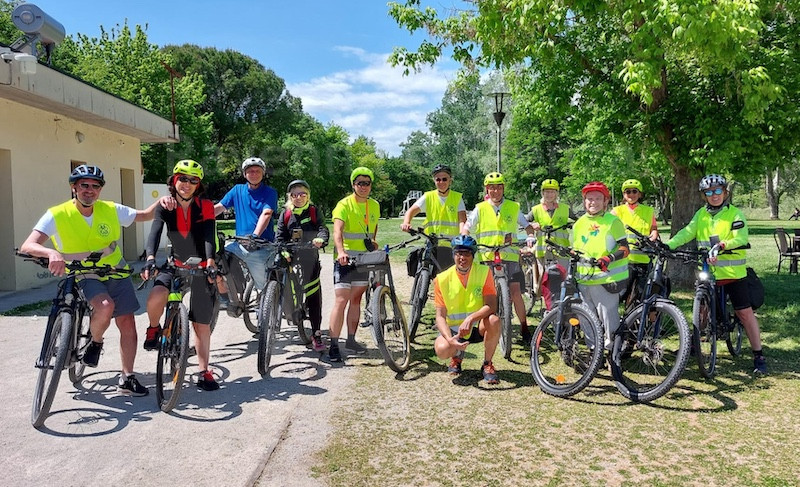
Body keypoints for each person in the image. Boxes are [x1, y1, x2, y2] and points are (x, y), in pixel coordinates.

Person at [20, 164, 172, 396]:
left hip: (114, 269)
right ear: (74, 187)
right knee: (105, 306)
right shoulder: (57, 214)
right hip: (82, 272)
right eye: (84, 185)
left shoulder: (110, 209)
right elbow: (28, 245)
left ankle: (127, 377)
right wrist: (50, 252)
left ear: (100, 189)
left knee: (127, 321)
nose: (89, 190)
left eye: (95, 186)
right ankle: (96, 341)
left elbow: (143, 215)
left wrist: (162, 202)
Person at [665, 174, 767, 374]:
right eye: (709, 192)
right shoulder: (701, 214)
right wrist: (669, 245)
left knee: (744, 313)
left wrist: (723, 245)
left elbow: (741, 238)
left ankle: (759, 355)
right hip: (709, 272)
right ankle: (694, 344)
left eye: (718, 190)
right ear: (704, 195)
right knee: (701, 309)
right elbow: (687, 232)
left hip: (733, 274)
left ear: (725, 192)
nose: (714, 195)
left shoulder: (735, 214)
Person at [141, 160, 220, 391]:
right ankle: (153, 328)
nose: (187, 184)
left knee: (201, 323)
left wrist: (210, 262)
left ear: (198, 185)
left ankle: (203, 371)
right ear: (174, 181)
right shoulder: (165, 205)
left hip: (200, 266)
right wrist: (150, 258)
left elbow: (209, 235)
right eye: (182, 179)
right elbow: (155, 232)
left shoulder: (205, 206)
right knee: (156, 295)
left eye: (193, 180)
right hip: (174, 264)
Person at [462, 172, 536, 344]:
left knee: (516, 292)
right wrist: (464, 237)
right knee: (486, 294)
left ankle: (524, 327)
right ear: (487, 190)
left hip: (509, 255)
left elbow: (527, 226)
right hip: (487, 255)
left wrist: (530, 237)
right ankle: (484, 326)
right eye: (492, 188)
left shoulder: (513, 207)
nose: (495, 191)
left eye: (499, 187)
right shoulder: (480, 208)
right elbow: (467, 226)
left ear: (503, 189)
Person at [326, 167, 380, 362]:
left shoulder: (374, 205)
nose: (363, 186)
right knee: (341, 300)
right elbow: (337, 232)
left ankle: (351, 339)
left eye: (367, 183)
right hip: (346, 259)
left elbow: (373, 229)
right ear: (353, 185)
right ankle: (333, 345)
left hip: (364, 259)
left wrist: (373, 243)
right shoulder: (344, 204)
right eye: (360, 183)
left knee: (356, 299)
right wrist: (341, 252)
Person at [432, 235, 501, 384]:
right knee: (442, 350)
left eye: (467, 253)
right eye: (458, 253)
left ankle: (487, 364)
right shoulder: (441, 279)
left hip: (476, 326)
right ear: (453, 255)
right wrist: (449, 339)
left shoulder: (484, 272)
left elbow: (492, 305)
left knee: (494, 320)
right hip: (454, 330)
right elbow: (440, 316)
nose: (462, 257)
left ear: (473, 255)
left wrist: (471, 319)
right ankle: (456, 357)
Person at [214, 157, 279, 315]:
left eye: (257, 171)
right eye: (250, 171)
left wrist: (255, 236)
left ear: (263, 174)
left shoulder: (270, 192)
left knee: (263, 286)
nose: (254, 173)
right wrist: (198, 217)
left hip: (262, 245)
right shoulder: (237, 190)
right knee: (217, 260)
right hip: (239, 244)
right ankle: (227, 295)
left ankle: (264, 310)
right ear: (244, 174)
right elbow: (220, 207)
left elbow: (266, 213)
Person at [571, 181, 629, 352]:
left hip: (607, 280)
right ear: (584, 201)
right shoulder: (579, 223)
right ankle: (594, 352)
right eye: (589, 199)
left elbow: (625, 248)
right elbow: (575, 248)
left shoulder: (613, 221)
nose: (593, 202)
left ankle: (612, 352)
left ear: (605, 201)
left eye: (598, 199)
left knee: (609, 320)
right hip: (584, 280)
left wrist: (609, 258)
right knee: (586, 319)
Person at [275, 179, 330, 353]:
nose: (298, 197)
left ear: (308, 196)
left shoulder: (313, 211)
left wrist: (321, 239)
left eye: (302, 194)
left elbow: (322, 228)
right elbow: (279, 237)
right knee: (278, 278)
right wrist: (283, 251)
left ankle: (316, 333)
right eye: (294, 194)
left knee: (313, 292)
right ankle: (281, 310)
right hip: (290, 255)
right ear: (290, 197)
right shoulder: (285, 214)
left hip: (308, 254)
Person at [400, 163, 467, 271]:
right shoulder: (428, 197)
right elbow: (411, 211)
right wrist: (406, 222)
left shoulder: (457, 197)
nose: (441, 182)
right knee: (426, 270)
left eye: (444, 179)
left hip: (451, 244)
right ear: (434, 180)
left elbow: (462, 220)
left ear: (450, 180)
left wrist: (462, 234)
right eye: (438, 179)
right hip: (432, 243)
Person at [526, 178, 577, 310]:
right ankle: (547, 304)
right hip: (543, 250)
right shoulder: (536, 210)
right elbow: (524, 222)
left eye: (552, 192)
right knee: (544, 279)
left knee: (563, 277)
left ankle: (562, 304)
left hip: (561, 249)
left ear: (557, 193)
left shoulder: (565, 209)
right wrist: (532, 224)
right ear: (542, 193)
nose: (549, 195)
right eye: (547, 192)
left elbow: (578, 221)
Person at [610, 179, 659, 305]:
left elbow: (653, 229)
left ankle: (634, 315)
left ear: (640, 194)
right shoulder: (616, 211)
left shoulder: (648, 211)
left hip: (643, 259)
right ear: (624, 195)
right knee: (620, 293)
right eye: (628, 192)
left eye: (634, 191)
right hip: (623, 260)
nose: (631, 194)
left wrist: (653, 235)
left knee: (639, 294)